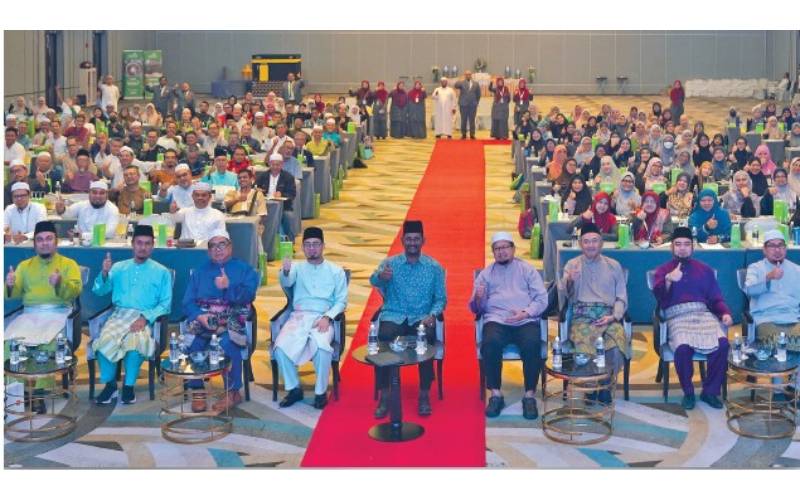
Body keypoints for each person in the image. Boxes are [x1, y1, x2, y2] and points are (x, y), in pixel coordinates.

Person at [369, 220, 446, 417]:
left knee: (426, 341)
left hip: (421, 317)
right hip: (394, 315)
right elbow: (373, 280)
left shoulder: (434, 267)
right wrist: (381, 277)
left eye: (416, 239)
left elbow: (441, 298)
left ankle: (424, 394)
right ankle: (385, 395)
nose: (412, 242)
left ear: (423, 241)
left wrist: (433, 315)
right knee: (383, 339)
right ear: (403, 240)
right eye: (409, 239)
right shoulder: (390, 263)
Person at [5, 221, 82, 412]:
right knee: (10, 344)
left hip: (58, 313)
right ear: (35, 244)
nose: (44, 243)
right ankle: (16, 391)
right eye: (39, 240)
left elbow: (74, 291)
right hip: (30, 314)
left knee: (46, 345)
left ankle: (39, 393)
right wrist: (9, 284)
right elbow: (13, 294)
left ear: (56, 242)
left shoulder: (68, 264)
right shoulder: (25, 266)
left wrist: (60, 282)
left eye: (49, 239)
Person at [651, 226, 732, 410]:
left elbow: (715, 298)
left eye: (686, 244)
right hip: (676, 316)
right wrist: (669, 280)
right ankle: (688, 392)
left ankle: (710, 392)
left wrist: (724, 313)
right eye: (678, 244)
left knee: (723, 345)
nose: (682, 248)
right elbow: (660, 300)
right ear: (671, 247)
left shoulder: (705, 270)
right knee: (682, 348)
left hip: (703, 314)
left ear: (693, 247)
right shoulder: (663, 270)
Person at [470, 232, 548, 419]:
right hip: (497, 320)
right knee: (490, 344)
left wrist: (526, 312)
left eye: (505, 247)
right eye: (497, 249)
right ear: (493, 252)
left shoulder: (527, 270)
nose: (502, 252)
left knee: (532, 344)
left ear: (513, 249)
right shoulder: (485, 275)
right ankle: (496, 394)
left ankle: (529, 395)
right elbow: (476, 308)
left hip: (525, 319)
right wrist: (479, 298)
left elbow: (542, 298)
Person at [91, 225, 172, 405]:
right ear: (132, 244)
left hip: (145, 317)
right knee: (105, 339)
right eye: (139, 243)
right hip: (119, 315)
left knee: (134, 342)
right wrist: (104, 273)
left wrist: (145, 318)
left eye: (147, 244)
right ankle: (110, 386)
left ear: (153, 246)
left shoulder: (162, 272)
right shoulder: (118, 267)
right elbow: (99, 291)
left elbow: (165, 305)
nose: (143, 247)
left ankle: (128, 387)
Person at [183, 229, 259, 411]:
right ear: (208, 251)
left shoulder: (244, 270)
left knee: (227, 344)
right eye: (213, 246)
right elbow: (187, 302)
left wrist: (228, 287)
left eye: (222, 244)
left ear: (230, 247)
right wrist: (199, 316)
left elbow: (248, 296)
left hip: (232, 318)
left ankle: (232, 392)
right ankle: (197, 390)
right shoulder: (200, 272)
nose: (217, 249)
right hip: (205, 319)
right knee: (193, 343)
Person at [274, 227, 348, 409]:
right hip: (299, 316)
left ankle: (320, 392)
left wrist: (328, 317)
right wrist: (285, 271)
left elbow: (341, 301)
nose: (312, 248)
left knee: (322, 349)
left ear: (323, 246)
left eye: (316, 244)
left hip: (322, 317)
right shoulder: (297, 268)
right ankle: (294, 389)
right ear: (302, 247)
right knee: (280, 348)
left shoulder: (336, 271)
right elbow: (287, 281)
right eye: (307, 245)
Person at [559, 222, 629, 403]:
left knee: (616, 342)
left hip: (608, 316)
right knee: (586, 345)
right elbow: (565, 293)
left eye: (595, 241)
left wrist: (614, 316)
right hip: (582, 317)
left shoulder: (614, 265)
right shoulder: (572, 264)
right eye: (586, 241)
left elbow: (621, 297)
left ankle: (605, 385)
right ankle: (590, 388)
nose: (591, 245)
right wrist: (570, 281)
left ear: (601, 243)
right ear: (581, 244)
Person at [744, 230, 800, 351]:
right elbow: (749, 290)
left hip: (792, 319)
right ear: (764, 250)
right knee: (777, 344)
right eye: (772, 246)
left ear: (785, 249)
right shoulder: (755, 268)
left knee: (792, 345)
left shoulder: (796, 270)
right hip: (766, 319)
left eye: (780, 245)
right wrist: (768, 278)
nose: (777, 250)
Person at [55, 180, 119, 240]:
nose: (97, 196)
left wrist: (83, 236)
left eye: (102, 193)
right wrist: (62, 210)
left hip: (103, 246)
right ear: (89, 194)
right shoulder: (82, 205)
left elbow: (109, 233)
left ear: (107, 195)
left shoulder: (113, 209)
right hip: (81, 245)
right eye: (94, 192)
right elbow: (67, 214)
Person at [256, 153, 297, 242]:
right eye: (273, 164)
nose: (275, 167)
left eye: (277, 165)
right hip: (264, 206)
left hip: (284, 207)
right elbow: (255, 188)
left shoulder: (288, 177)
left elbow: (292, 194)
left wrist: (282, 194)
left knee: (288, 217)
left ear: (282, 165)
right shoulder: (263, 176)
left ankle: (289, 242)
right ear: (269, 164)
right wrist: (258, 191)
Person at [454, 70, 481, 140]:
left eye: (469, 74)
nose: (468, 75)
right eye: (466, 74)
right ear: (465, 75)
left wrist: (476, 102)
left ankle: (472, 134)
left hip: (473, 105)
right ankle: (463, 134)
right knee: (464, 120)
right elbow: (455, 85)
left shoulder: (476, 84)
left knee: (472, 120)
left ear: (471, 75)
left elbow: (478, 94)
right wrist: (461, 80)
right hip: (463, 105)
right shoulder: (462, 83)